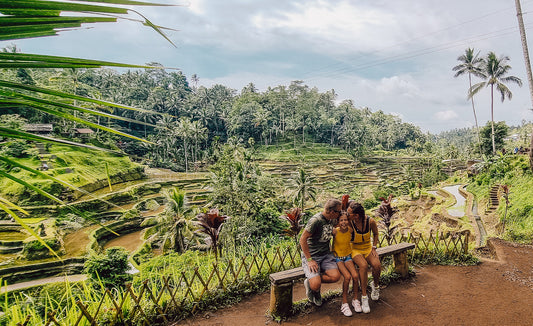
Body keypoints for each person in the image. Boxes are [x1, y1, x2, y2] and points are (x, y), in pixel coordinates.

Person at [299, 199, 342, 306]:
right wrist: (309, 260)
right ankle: (314, 288)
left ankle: (312, 281)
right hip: (312, 256)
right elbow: (302, 239)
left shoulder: (332, 220)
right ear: (332, 212)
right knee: (316, 285)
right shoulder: (316, 221)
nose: (340, 214)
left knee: (336, 277)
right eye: (338, 212)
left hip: (326, 254)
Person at [347, 201, 381, 313]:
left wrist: (374, 247)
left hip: (367, 248)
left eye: (349, 213)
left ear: (356, 215)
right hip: (355, 249)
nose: (347, 215)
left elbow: (376, 233)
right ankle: (364, 296)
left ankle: (375, 286)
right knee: (363, 266)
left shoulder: (370, 221)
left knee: (377, 265)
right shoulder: (349, 222)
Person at [332, 212, 361, 317]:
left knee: (355, 276)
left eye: (345, 220)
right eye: (341, 220)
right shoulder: (335, 231)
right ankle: (344, 303)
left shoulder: (350, 230)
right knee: (347, 277)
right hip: (338, 258)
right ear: (338, 222)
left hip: (348, 256)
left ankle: (355, 299)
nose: (343, 222)